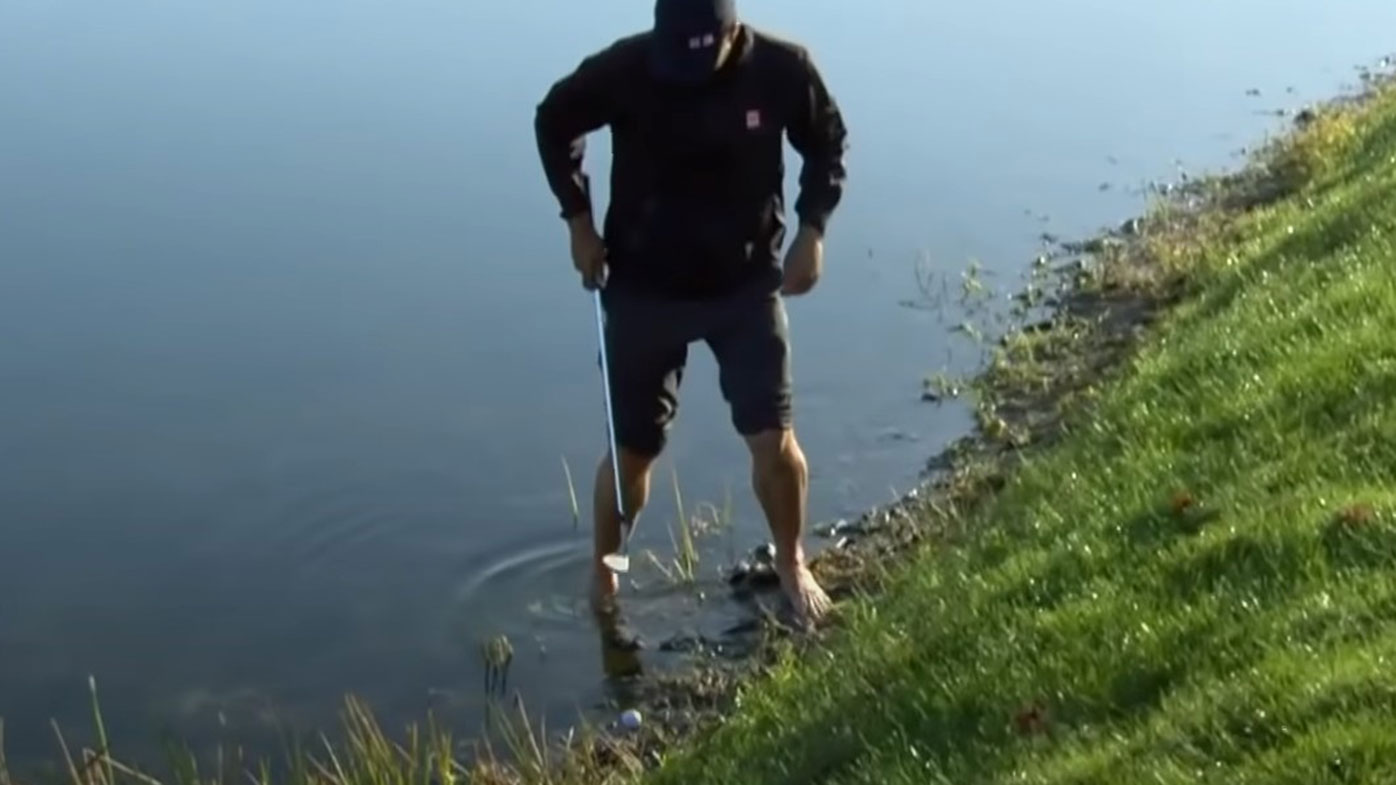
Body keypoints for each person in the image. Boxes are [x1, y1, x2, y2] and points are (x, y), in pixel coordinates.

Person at [533, 0, 848, 628]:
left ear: (733, 33)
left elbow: (827, 143)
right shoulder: (628, 69)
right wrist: (579, 223)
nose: (690, 72)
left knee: (774, 441)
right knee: (631, 458)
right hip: (645, 289)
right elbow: (554, 118)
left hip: (744, 287)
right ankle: (609, 576)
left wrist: (813, 231)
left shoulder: (784, 71)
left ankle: (791, 561)